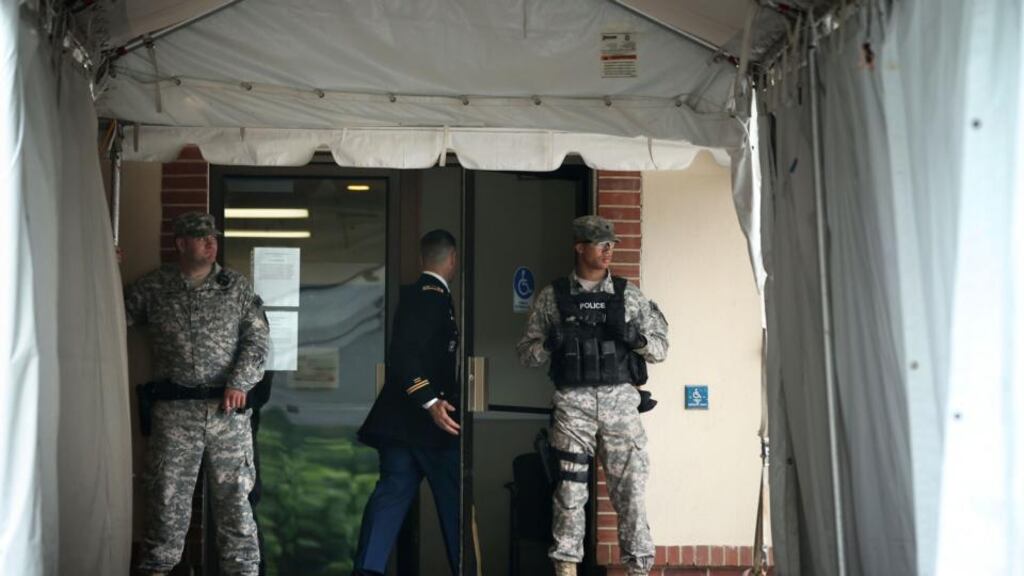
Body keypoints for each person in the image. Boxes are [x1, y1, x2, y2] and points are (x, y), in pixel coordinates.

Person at [517, 215, 669, 576]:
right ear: (579, 247)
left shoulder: (628, 295)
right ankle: (566, 569)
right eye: (600, 243)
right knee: (569, 496)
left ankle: (638, 570)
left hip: (620, 406)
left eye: (611, 244)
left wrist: (635, 338)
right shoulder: (553, 297)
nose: (608, 250)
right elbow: (525, 354)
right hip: (573, 407)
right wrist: (549, 344)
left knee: (630, 493)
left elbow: (661, 349)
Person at [125, 211, 269, 576]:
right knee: (165, 502)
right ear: (181, 244)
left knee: (236, 504)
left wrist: (241, 381)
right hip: (174, 413)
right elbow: (107, 316)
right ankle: (158, 569)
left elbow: (257, 340)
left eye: (213, 237)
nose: (211, 243)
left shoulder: (235, 288)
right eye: (202, 237)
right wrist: (105, 271)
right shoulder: (154, 288)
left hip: (227, 413)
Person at [354, 229, 464, 576]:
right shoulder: (430, 296)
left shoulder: (426, 295)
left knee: (391, 496)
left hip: (406, 426)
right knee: (454, 503)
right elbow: (403, 355)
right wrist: (430, 401)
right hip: (430, 422)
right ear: (453, 261)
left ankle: (367, 570)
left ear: (422, 259)